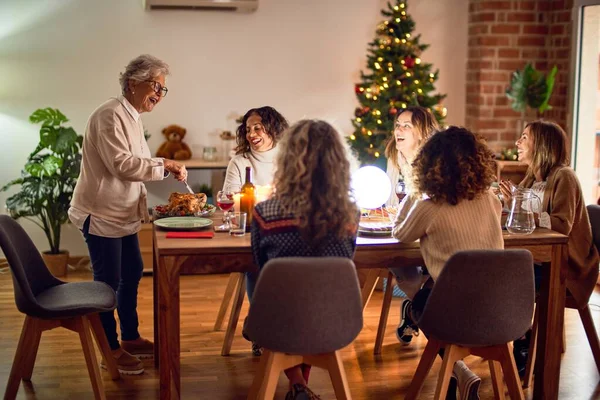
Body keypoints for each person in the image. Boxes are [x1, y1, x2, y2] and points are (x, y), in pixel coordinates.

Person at [69, 54, 188, 375]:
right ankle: (110, 348)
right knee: (106, 284)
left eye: (164, 90)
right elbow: (121, 165)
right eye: (156, 86)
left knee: (133, 271)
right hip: (102, 213)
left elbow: (133, 164)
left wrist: (161, 165)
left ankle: (130, 336)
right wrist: (166, 164)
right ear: (133, 82)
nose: (160, 95)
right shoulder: (110, 115)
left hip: (122, 214)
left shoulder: (131, 116)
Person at [249, 120, 359, 400]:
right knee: (313, 296)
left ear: (286, 160)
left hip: (278, 322)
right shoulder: (350, 216)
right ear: (338, 163)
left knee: (288, 297)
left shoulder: (266, 213)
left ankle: (297, 384)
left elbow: (262, 272)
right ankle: (299, 386)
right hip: (334, 322)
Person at [393, 126, 503, 400]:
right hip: (501, 311)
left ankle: (459, 370)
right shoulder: (491, 200)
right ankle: (459, 374)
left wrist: (415, 191)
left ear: (429, 163)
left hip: (455, 313)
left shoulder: (431, 205)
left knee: (419, 304)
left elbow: (400, 234)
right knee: (433, 295)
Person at [499, 120, 599, 375]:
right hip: (539, 259)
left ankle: (521, 339)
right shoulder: (532, 178)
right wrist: (510, 205)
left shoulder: (565, 176)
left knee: (508, 279)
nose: (517, 143)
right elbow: (519, 218)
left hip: (566, 267)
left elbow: (561, 225)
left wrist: (519, 209)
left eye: (524, 137)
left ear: (541, 144)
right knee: (500, 271)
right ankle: (517, 337)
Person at [384, 106, 439, 346]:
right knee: (395, 256)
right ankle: (418, 303)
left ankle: (417, 308)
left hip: (430, 227)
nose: (400, 130)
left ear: (422, 132)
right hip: (407, 225)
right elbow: (389, 199)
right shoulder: (394, 156)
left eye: (407, 125)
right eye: (398, 125)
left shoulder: (435, 159)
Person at [222, 106, 289, 191]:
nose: (251, 135)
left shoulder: (288, 161)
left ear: (274, 130)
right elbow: (229, 200)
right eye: (248, 130)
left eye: (257, 128)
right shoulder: (238, 162)